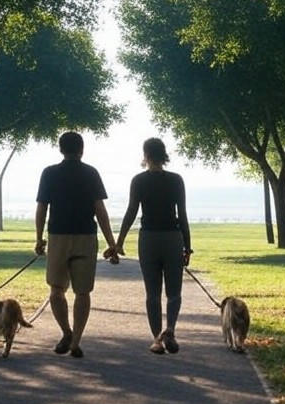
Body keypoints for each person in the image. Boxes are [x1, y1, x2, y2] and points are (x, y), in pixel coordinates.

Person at [35, 131, 118, 358]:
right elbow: (100, 211)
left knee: (56, 290)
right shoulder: (91, 173)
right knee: (83, 293)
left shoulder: (49, 173)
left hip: (58, 236)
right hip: (86, 237)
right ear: (82, 149)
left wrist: (38, 237)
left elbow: (42, 208)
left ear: (61, 149)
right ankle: (76, 340)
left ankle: (66, 332)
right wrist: (112, 243)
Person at [113, 137, 191, 354]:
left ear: (145, 155)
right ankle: (171, 330)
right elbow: (182, 215)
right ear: (164, 154)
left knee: (152, 293)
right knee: (174, 292)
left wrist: (119, 242)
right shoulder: (176, 180)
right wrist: (188, 246)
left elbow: (131, 212)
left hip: (148, 239)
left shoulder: (138, 181)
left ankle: (157, 340)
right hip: (173, 238)